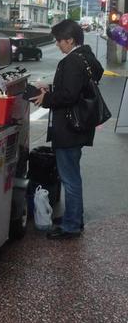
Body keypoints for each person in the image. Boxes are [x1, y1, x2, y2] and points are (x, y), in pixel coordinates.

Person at [30, 19, 104, 240]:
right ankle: (74, 217)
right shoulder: (87, 57)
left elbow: (69, 95)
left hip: (69, 128)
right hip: (80, 126)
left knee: (70, 178)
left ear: (70, 40)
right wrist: (51, 88)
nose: (57, 45)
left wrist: (46, 98)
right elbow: (78, 89)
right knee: (72, 175)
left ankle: (72, 225)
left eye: (59, 41)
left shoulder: (72, 61)